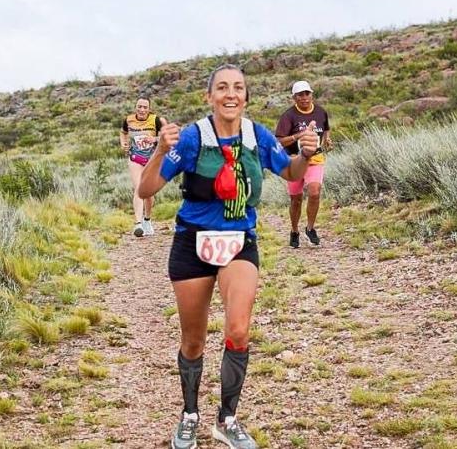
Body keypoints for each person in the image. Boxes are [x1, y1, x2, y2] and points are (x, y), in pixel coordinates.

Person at [139, 64, 318, 449]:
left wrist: (306, 155)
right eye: (222, 87)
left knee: (238, 330)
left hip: (240, 242)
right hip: (192, 243)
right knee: (193, 341)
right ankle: (189, 415)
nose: (230, 94)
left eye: (238, 87)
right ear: (210, 96)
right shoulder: (191, 138)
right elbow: (146, 188)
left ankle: (227, 419)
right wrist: (160, 150)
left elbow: (289, 171)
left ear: (246, 96)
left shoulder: (257, 136)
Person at [274, 80, 332, 248]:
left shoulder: (321, 112)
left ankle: (310, 228)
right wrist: (297, 136)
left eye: (307, 93)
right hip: (294, 161)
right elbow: (279, 141)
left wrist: (327, 139)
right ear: (294, 97)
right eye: (300, 95)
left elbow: (326, 128)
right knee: (296, 199)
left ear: (312, 95)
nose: (305, 97)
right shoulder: (288, 116)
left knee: (314, 192)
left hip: (315, 159)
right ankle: (294, 231)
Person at [120, 97, 166, 237]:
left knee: (149, 193)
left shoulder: (156, 120)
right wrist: (123, 143)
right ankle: (138, 224)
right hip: (135, 159)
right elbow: (123, 132)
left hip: (152, 160)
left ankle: (147, 219)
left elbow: (166, 136)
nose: (142, 110)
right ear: (135, 107)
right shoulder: (128, 120)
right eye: (139, 106)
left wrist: (155, 139)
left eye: (145, 107)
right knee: (139, 188)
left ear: (149, 109)